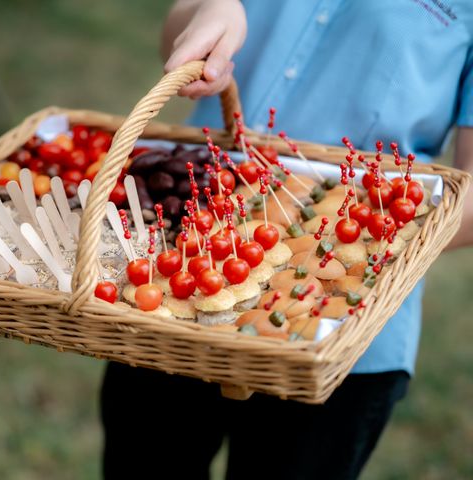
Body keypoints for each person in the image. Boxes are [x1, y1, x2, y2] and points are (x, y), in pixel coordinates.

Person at [101, 1, 473, 479]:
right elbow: (176, 34)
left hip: (336, 335)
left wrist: (362, 246)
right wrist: (208, 11)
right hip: (184, 284)